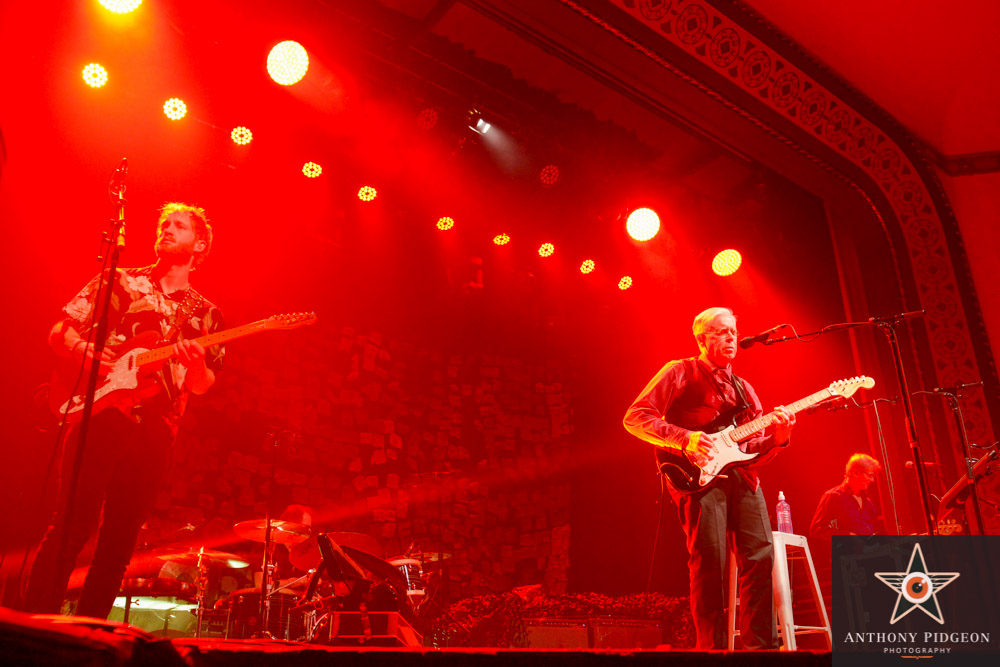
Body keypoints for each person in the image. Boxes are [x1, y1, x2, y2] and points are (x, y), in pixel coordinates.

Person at [24, 202, 225, 619]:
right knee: (70, 528)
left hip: (155, 431)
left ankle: (92, 632)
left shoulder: (208, 314)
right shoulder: (119, 280)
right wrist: (83, 351)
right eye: (164, 223)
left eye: (180, 226)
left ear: (200, 244)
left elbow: (202, 385)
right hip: (100, 413)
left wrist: (195, 364)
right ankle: (37, 625)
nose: (167, 229)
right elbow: (60, 330)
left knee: (118, 546)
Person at [623, 307, 795, 650]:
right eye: (721, 331)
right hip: (698, 478)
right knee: (710, 564)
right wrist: (684, 438)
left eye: (733, 331)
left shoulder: (745, 389)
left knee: (760, 559)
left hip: (744, 479)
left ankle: (760, 649)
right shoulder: (679, 371)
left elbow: (750, 448)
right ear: (702, 339)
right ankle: (712, 651)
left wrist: (778, 439)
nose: (731, 337)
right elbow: (635, 417)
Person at [809, 453, 881, 542]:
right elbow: (816, 530)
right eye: (870, 475)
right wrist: (846, 536)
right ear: (856, 473)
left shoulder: (868, 502)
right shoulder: (833, 497)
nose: (872, 480)